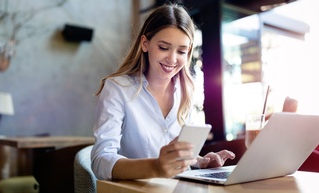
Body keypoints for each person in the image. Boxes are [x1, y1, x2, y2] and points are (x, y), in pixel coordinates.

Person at [91, 3, 235, 180]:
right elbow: (100, 161)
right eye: (164, 48)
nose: (172, 59)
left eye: (181, 51)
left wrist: (201, 162)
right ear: (145, 43)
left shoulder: (185, 91)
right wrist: (155, 167)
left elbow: (175, 157)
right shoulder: (118, 89)